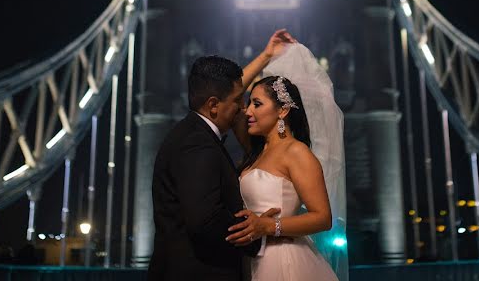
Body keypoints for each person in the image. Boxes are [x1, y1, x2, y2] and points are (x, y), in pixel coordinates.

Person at [147, 30, 293, 281]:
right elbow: (205, 221)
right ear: (213, 105)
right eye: (239, 101)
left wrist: (266, 56)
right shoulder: (197, 145)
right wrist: (257, 236)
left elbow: (228, 88)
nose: (243, 108)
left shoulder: (191, 132)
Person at [227, 40, 347, 281]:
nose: (248, 111)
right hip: (253, 259)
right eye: (250, 103)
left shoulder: (297, 152)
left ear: (282, 111)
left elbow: (322, 218)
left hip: (286, 261)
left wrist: (269, 227)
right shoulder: (257, 150)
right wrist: (266, 55)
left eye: (257, 104)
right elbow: (233, 93)